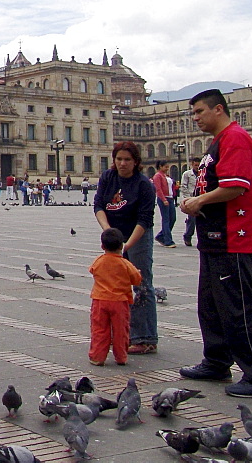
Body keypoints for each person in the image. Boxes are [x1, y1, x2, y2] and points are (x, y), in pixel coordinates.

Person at [179, 89, 252, 397]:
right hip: (213, 237)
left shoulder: (235, 138)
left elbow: (235, 187)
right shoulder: (217, 142)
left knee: (238, 307)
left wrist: (199, 201)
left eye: (199, 112)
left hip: (234, 236)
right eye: (193, 113)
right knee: (211, 306)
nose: (196, 118)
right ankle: (217, 360)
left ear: (218, 109)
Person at [93, 141, 158, 355]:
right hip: (115, 234)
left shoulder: (144, 185)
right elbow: (99, 206)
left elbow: (145, 219)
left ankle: (146, 337)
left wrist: (126, 246)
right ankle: (123, 334)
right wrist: (108, 232)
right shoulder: (108, 178)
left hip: (138, 234)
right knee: (115, 284)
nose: (122, 163)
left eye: (127, 160)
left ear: (136, 161)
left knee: (141, 283)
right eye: (119, 159)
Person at [88, 227, 142, 366]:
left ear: (102, 246)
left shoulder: (99, 261)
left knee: (99, 329)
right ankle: (121, 357)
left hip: (100, 300)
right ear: (122, 245)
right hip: (120, 302)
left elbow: (92, 271)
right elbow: (136, 279)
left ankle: (97, 357)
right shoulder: (125, 264)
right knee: (120, 331)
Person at [153, 160, 177, 248]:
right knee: (166, 219)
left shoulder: (165, 176)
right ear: (160, 167)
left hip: (170, 198)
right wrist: (163, 199)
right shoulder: (157, 176)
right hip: (164, 198)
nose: (167, 168)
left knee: (173, 218)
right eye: (166, 167)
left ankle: (161, 236)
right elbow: (158, 189)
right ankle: (168, 240)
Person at [181, 157, 200, 245]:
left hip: (200, 199)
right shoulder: (187, 174)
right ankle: (188, 236)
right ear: (192, 165)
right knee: (191, 220)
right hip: (191, 199)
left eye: (198, 165)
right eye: (195, 165)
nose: (197, 167)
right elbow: (184, 186)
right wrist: (187, 198)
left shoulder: (202, 173)